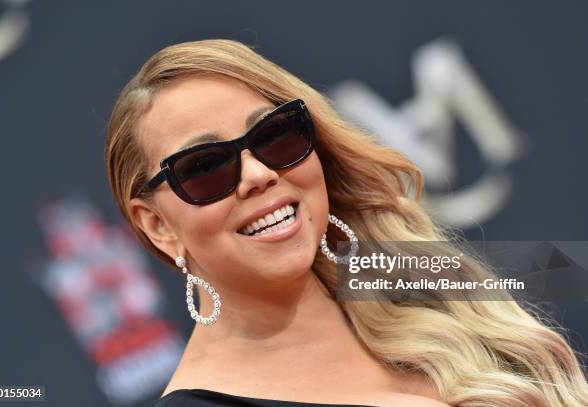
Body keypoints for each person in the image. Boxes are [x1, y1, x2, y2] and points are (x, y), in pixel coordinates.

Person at [104, 39, 588, 406]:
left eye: (274, 135)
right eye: (205, 167)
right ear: (157, 225)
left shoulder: (422, 282)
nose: (258, 174)